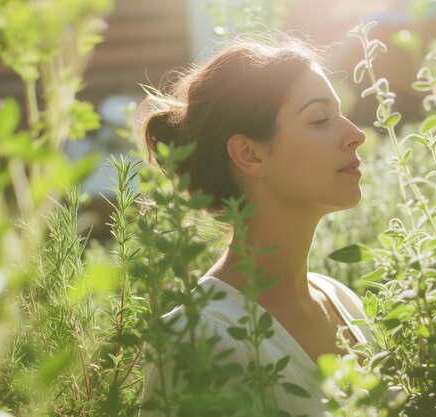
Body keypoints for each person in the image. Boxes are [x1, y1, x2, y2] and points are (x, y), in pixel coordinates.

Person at [138, 35, 373, 417]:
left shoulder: (343, 300)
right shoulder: (200, 339)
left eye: (341, 114)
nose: (355, 135)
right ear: (249, 154)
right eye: (320, 119)